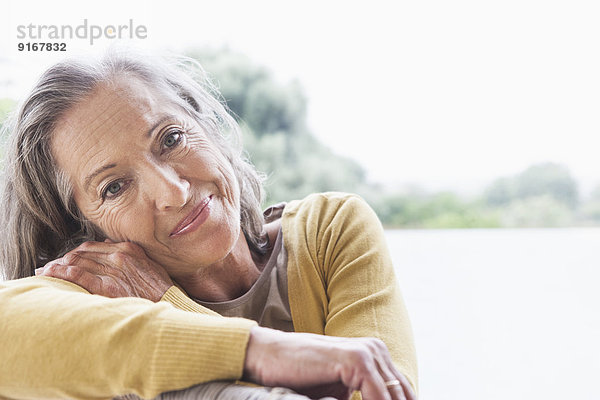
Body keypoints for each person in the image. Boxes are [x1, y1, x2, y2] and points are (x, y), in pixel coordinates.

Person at [0, 49, 418, 400]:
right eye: (114, 187)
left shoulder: (329, 230)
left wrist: (168, 303)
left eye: (170, 139)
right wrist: (261, 350)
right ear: (82, 234)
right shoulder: (90, 287)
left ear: (207, 125)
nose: (174, 192)